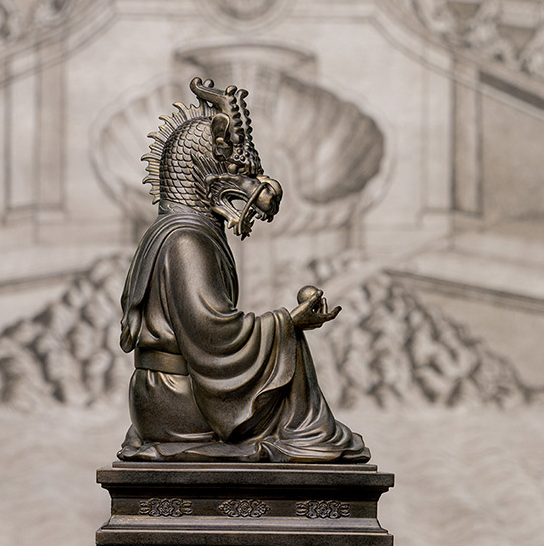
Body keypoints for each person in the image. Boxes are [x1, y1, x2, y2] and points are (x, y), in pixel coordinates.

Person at [118, 77, 367, 462]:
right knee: (311, 427)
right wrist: (288, 323)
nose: (258, 187)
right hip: (179, 405)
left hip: (168, 397)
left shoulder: (179, 229)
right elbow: (212, 333)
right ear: (204, 168)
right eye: (240, 172)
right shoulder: (185, 239)